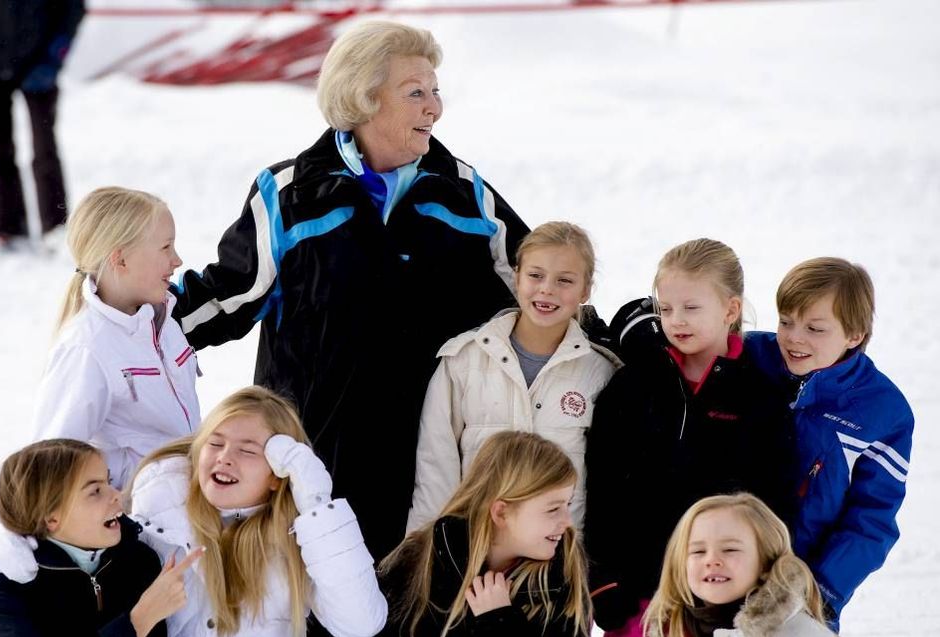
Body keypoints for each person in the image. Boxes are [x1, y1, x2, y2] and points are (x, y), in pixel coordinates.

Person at [172, 20, 529, 561]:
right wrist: (132, 315)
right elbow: (227, 298)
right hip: (313, 466)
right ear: (363, 99)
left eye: (436, 91)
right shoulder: (290, 194)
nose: (435, 107)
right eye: (416, 93)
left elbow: (540, 290)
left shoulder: (465, 193)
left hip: (428, 468)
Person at [584, 239, 794, 637]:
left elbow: (775, 502)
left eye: (691, 308)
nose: (675, 320)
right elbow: (602, 483)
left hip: (724, 603)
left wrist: (764, 589)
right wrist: (604, 581)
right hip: (639, 600)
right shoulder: (634, 384)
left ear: (730, 309)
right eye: (665, 309)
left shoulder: (760, 397)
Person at [407, 222, 618, 532]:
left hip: (556, 565)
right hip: (475, 557)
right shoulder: (463, 360)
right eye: (535, 275)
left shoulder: (601, 373)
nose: (547, 289)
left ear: (585, 289)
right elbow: (435, 472)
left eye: (565, 280)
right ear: (516, 276)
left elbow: (604, 488)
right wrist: (426, 565)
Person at [129, 385, 386, 637]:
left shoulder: (301, 538)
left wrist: (316, 502)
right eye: (216, 443)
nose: (225, 457)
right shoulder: (156, 512)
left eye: (247, 450)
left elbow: (361, 624)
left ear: (278, 475)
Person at [745, 258, 913, 629]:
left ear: (854, 335)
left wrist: (821, 593)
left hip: (802, 589)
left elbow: (872, 519)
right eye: (785, 321)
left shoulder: (882, 410)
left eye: (815, 328)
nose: (794, 338)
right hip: (724, 567)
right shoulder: (751, 358)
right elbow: (694, 337)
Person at [33, 186, 201, 490]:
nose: (177, 260)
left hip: (183, 505)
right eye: (166, 247)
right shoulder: (87, 348)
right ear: (120, 260)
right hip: (136, 521)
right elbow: (52, 461)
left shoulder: (163, 323)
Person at [0, 438, 200, 637]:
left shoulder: (140, 562)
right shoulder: (6, 589)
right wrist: (139, 620)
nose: (116, 495)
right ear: (51, 518)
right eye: (95, 491)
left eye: (108, 481)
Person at [380, 431, 592, 637]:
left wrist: (500, 622)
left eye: (568, 504)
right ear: (501, 512)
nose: (567, 522)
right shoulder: (422, 558)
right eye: (553, 509)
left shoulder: (563, 574)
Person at [0, 0, 84, 250]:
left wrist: (55, 55)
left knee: (45, 148)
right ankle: (9, 228)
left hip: (39, 61)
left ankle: (55, 227)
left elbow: (73, 7)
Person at [642, 493, 834, 637]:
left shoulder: (798, 632)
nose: (711, 560)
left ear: (766, 562)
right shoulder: (665, 628)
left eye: (729, 550)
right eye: (698, 552)